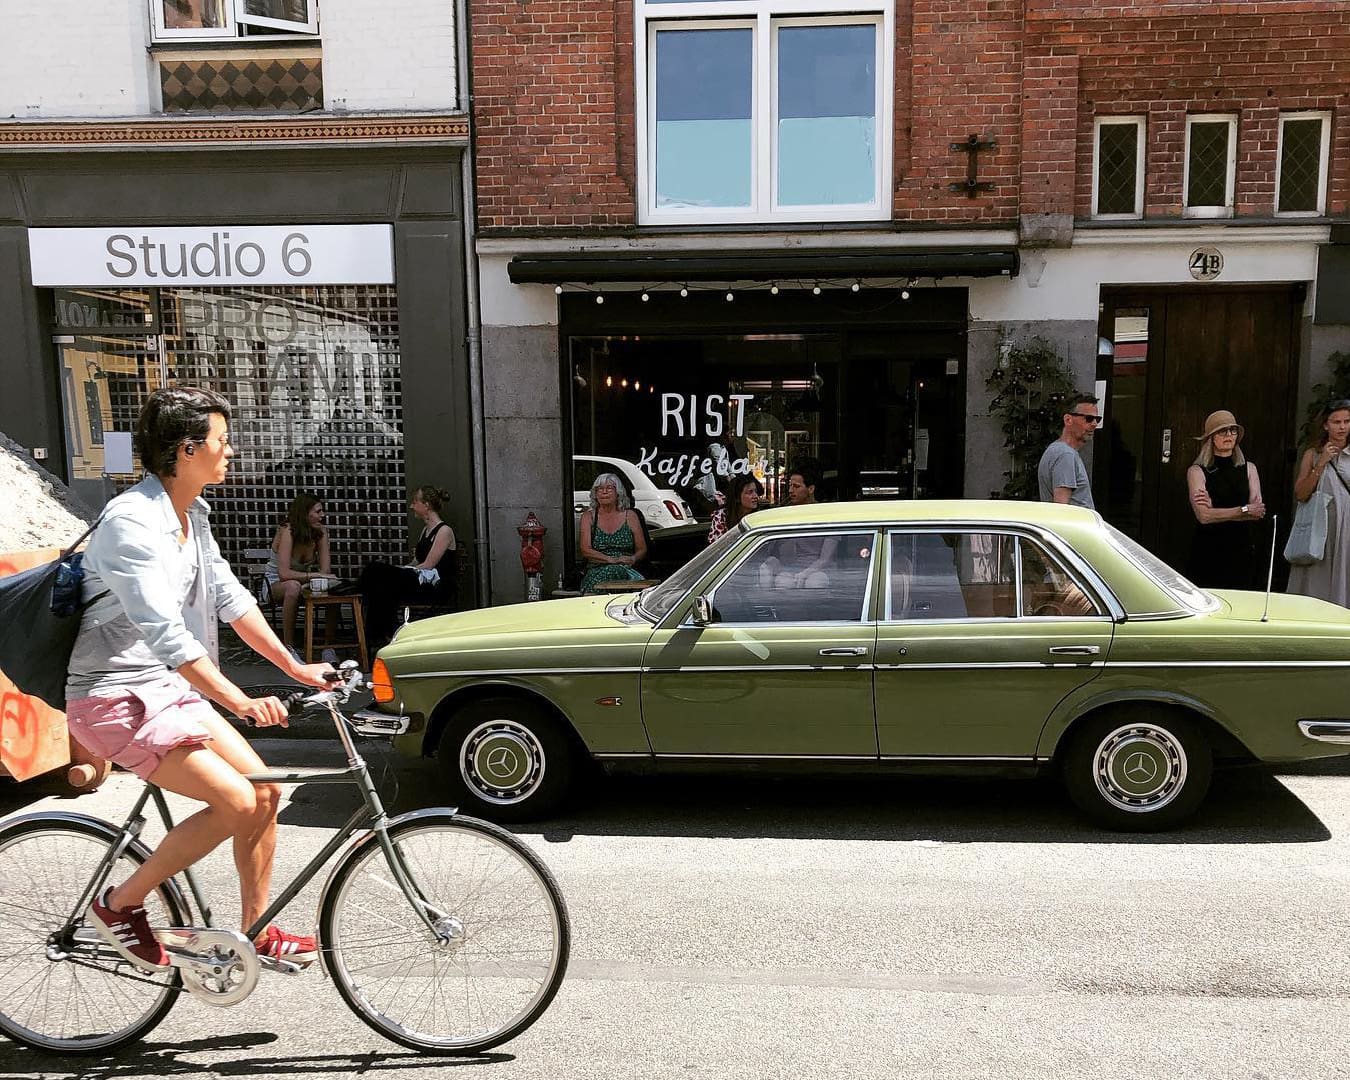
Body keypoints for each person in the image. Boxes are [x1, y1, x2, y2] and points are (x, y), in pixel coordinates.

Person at [65, 387, 334, 973]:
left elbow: (229, 599)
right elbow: (167, 634)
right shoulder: (131, 523)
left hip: (166, 690)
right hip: (115, 696)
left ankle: (254, 932)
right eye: (222, 440)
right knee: (236, 801)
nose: (230, 450)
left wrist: (293, 667)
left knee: (263, 790)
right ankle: (120, 904)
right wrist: (239, 700)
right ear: (188, 450)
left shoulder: (193, 514)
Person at [357, 485, 458, 648]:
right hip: (419, 579)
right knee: (382, 585)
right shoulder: (425, 530)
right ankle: (382, 632)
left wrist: (398, 573)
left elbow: (428, 565)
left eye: (415, 502)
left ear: (426, 505)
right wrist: (400, 570)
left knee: (375, 570)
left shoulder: (444, 531)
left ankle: (380, 630)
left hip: (434, 585)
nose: (411, 506)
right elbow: (416, 562)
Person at [1185, 409, 1265, 589]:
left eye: (1233, 430)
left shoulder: (1249, 469)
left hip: (1241, 547)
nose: (1229, 435)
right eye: (1223, 431)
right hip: (1209, 549)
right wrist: (1243, 510)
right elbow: (1204, 516)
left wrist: (1217, 511)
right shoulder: (1197, 471)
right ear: (1211, 437)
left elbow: (1258, 512)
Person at [1288, 398, 1350, 607]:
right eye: (1336, 422)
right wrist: (1322, 462)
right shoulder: (1312, 454)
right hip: (1320, 530)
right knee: (1316, 582)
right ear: (1325, 425)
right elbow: (1301, 494)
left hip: (1347, 530)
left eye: (1347, 421)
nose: (1342, 427)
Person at [263, 492, 332, 653]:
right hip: (276, 584)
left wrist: (319, 578)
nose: (322, 515)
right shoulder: (288, 531)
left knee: (331, 589)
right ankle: (289, 647)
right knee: (293, 587)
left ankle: (329, 646)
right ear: (304, 514)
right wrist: (316, 576)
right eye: (317, 512)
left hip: (304, 584)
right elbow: (284, 574)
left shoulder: (320, 532)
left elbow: (325, 571)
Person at [759, 461, 837, 588]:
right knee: (781, 580)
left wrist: (804, 574)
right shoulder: (786, 513)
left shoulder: (827, 516)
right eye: (790, 486)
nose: (790, 490)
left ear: (811, 489)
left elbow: (825, 559)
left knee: (815, 582)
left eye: (796, 486)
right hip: (790, 569)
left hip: (819, 571)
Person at [579, 472, 647, 595]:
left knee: (618, 572)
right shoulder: (588, 517)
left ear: (618, 493)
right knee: (610, 571)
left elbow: (642, 549)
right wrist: (611, 560)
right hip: (597, 569)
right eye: (600, 489)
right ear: (595, 494)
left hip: (626, 569)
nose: (604, 492)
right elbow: (585, 550)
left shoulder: (630, 516)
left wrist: (632, 558)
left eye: (609, 488)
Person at [1037, 393, 1099, 508]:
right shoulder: (1065, 455)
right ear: (1068, 419)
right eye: (1089, 419)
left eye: (1097, 419)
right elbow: (1061, 508)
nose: (1094, 424)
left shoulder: (1060, 451)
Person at [707, 474, 763, 544]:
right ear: (737, 498)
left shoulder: (759, 516)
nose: (755, 496)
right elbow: (717, 546)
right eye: (750, 492)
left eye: (756, 491)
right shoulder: (721, 516)